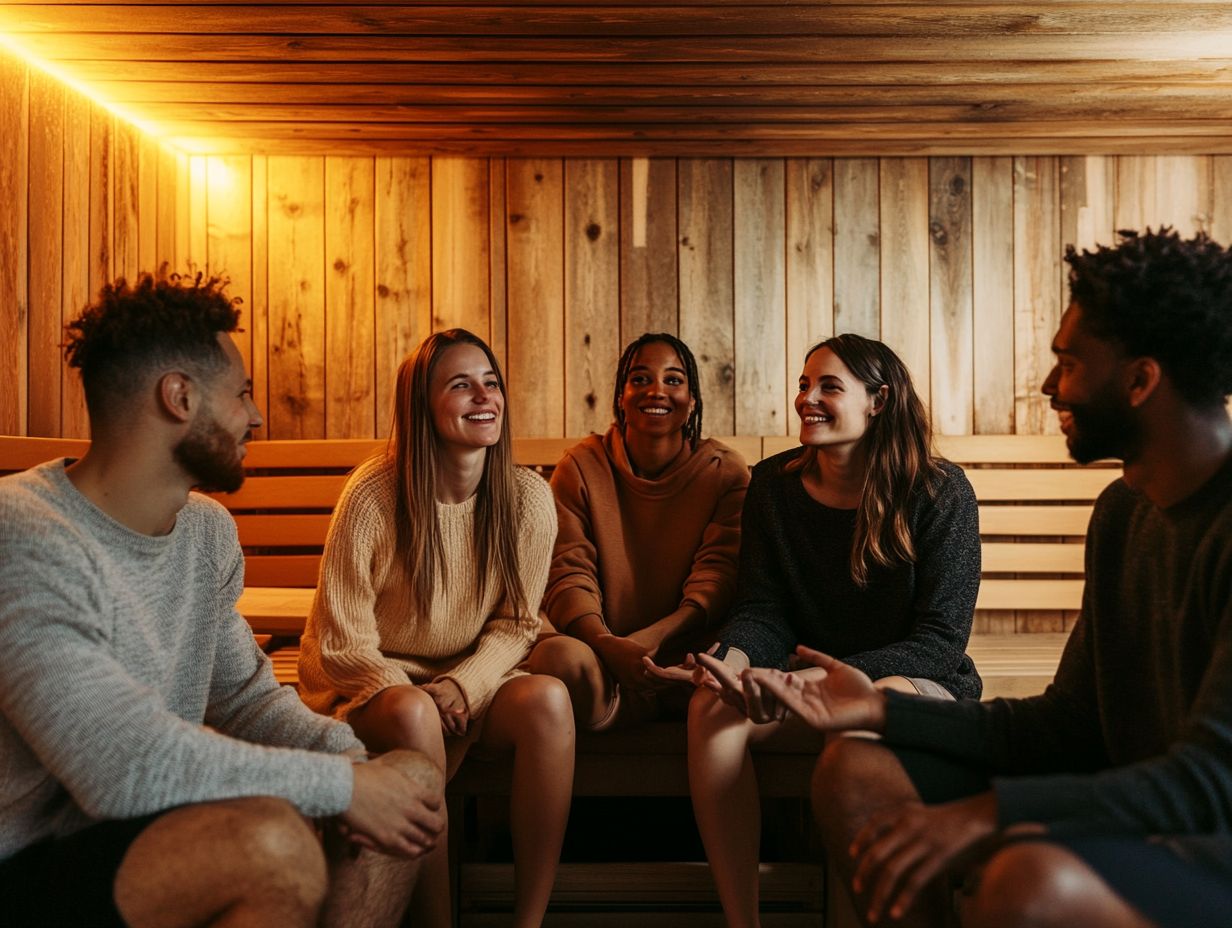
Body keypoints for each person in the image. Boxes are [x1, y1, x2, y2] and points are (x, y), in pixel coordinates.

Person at [748, 228, 1232, 928]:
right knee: (854, 770)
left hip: (1210, 833)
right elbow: (1071, 723)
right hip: (1133, 791)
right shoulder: (1125, 514)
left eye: (1069, 362)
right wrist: (879, 709)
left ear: (1140, 380)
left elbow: (1211, 780)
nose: (1048, 385)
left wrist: (993, 814)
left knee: (1027, 882)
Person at [0, 271, 445, 928]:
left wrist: (356, 765)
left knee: (409, 778)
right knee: (271, 845)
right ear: (179, 397)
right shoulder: (26, 534)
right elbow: (121, 766)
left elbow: (245, 700)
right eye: (241, 395)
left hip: (134, 841)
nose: (257, 416)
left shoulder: (205, 531)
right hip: (25, 863)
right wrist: (344, 787)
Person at [651, 333, 981, 928]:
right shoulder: (774, 486)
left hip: (912, 679)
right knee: (710, 707)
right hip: (801, 674)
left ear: (878, 401)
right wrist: (729, 657)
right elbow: (763, 606)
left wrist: (813, 682)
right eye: (805, 384)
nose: (808, 398)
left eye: (830, 386)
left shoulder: (938, 491)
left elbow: (940, 642)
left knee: (856, 728)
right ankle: (742, 920)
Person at [297, 327, 572, 928]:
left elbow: (519, 623)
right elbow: (342, 642)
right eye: (461, 385)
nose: (484, 396)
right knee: (415, 713)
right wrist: (416, 691)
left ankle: (529, 922)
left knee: (549, 701)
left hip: (462, 682)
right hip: (368, 682)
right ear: (423, 404)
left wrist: (463, 686)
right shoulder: (373, 495)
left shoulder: (527, 497)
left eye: (491, 383)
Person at [527, 332, 749, 729]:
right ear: (620, 397)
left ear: (692, 400)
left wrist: (651, 640)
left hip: (690, 663)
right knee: (554, 657)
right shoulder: (580, 467)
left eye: (674, 380)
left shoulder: (725, 472)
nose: (657, 391)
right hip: (603, 660)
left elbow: (719, 577)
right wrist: (608, 646)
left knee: (735, 670)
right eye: (641, 379)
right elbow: (568, 573)